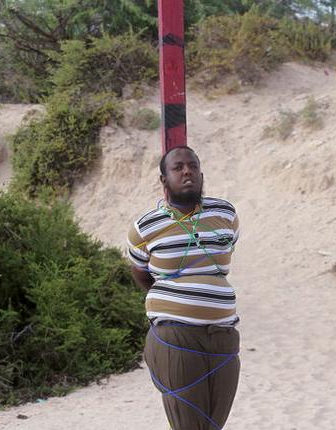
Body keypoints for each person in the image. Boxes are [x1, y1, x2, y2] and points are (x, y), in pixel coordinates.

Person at [127, 146, 241, 430]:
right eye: (178, 167)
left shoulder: (226, 214)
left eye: (192, 166)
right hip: (175, 337)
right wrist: (173, 298)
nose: (187, 171)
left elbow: (223, 259)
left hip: (224, 335)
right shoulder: (145, 227)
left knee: (213, 425)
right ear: (164, 180)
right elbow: (141, 274)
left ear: (201, 174)